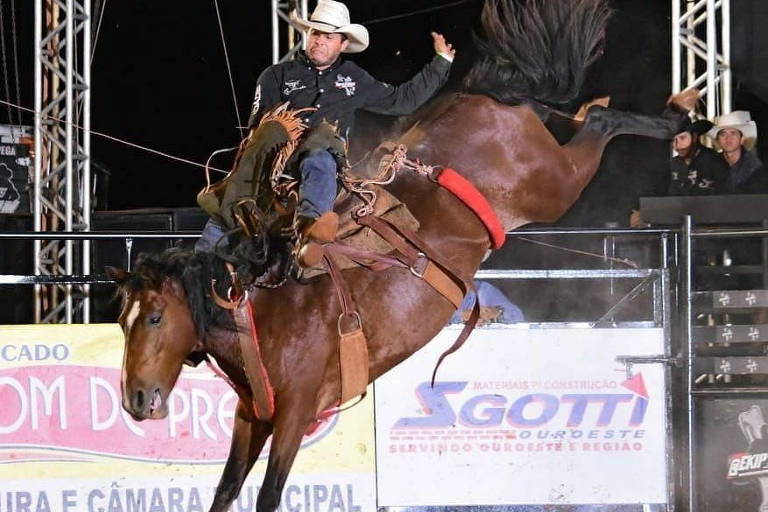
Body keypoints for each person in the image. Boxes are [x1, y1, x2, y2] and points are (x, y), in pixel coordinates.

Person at [197, 0, 456, 267]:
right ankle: (203, 256)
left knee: (320, 152)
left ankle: (312, 228)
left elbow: (402, 100)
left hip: (324, 157)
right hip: (275, 161)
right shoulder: (276, 76)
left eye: (329, 37)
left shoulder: (353, 79)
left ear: (342, 44)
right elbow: (259, 127)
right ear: (307, 36)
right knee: (239, 190)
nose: (320, 41)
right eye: (316, 34)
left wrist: (441, 63)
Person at [708, 110, 768, 194]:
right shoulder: (710, 163)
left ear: (742, 139)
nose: (728, 138)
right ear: (718, 140)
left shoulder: (756, 167)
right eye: (723, 134)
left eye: (733, 133)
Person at [667, 116, 729, 196]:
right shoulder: (673, 164)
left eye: (682, 138)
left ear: (695, 137)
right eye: (673, 140)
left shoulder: (715, 161)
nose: (677, 145)